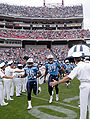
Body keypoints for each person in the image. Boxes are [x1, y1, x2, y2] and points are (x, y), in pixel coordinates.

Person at [50, 49, 90, 119]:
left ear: (74, 59)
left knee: (83, 106)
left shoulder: (78, 67)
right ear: (81, 58)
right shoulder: (88, 64)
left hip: (84, 85)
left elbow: (68, 78)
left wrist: (57, 82)